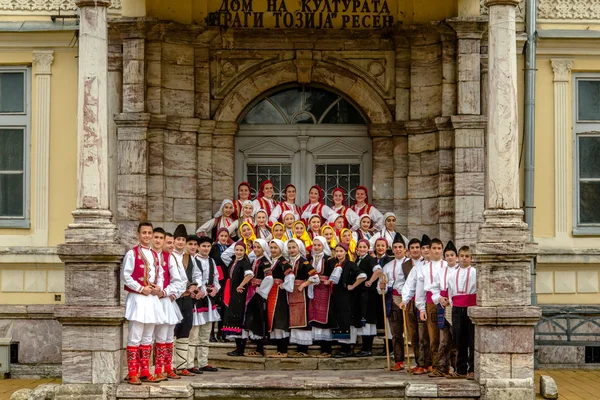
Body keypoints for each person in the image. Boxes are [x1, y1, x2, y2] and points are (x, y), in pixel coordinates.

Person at [123, 222, 167, 385]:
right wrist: (141, 288)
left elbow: (161, 274)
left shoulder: (156, 255)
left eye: (150, 233)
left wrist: (158, 288)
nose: (147, 236)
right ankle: (132, 372)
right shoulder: (132, 254)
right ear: (138, 234)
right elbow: (126, 276)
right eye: (145, 233)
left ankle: (145, 371)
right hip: (138, 299)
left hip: (152, 300)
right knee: (135, 336)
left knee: (148, 337)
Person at [412, 237, 447, 377]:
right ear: (429, 250)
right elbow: (420, 289)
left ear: (442, 250)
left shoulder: (448, 265)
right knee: (433, 336)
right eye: (434, 248)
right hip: (430, 303)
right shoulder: (424, 268)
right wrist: (421, 308)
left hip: (448, 302)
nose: (436, 251)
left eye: (439, 248)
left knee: (448, 335)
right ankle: (436, 365)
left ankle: (450, 365)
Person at [152, 229, 184, 380]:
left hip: (167, 300)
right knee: (158, 335)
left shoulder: (173, 258)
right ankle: (157, 368)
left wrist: (170, 293)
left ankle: (167, 367)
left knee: (169, 336)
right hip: (154, 299)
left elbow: (180, 281)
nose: (171, 245)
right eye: (168, 242)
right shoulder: (155, 256)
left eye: (172, 243)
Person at [442, 246, 476, 380]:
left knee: (472, 339)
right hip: (457, 308)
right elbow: (450, 291)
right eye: (462, 256)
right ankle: (460, 369)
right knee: (458, 339)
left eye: (467, 256)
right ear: (458, 257)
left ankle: (472, 369)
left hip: (471, 307)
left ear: (471, 258)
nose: (464, 258)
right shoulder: (452, 274)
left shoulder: (475, 272)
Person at [189, 236, 220, 374]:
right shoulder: (193, 260)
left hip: (208, 301)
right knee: (193, 333)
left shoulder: (212, 261)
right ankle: (189, 363)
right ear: (198, 247)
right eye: (203, 246)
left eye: (208, 246)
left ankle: (203, 362)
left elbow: (216, 279)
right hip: (197, 299)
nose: (206, 249)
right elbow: (195, 278)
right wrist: (201, 290)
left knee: (205, 333)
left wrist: (215, 289)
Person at [330, 242, 366, 358]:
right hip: (337, 297)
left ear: (346, 252)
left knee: (347, 321)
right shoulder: (334, 264)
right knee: (341, 320)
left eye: (341, 251)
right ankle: (343, 348)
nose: (339, 253)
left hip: (347, 297)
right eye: (337, 251)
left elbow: (362, 275)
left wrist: (353, 285)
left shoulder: (350, 264)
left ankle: (347, 348)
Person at [379, 236, 410, 371]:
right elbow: (380, 286)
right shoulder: (387, 266)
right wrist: (382, 286)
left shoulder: (410, 264)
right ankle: (399, 360)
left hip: (408, 300)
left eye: (400, 247)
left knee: (413, 332)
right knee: (396, 332)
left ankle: (422, 361)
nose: (397, 250)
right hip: (392, 300)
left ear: (405, 249)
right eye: (395, 247)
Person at [173, 234, 201, 376]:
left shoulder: (189, 258)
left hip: (186, 298)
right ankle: (170, 366)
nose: (181, 242)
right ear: (174, 240)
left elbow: (196, 275)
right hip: (173, 299)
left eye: (183, 240)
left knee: (185, 329)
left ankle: (182, 365)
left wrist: (195, 286)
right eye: (179, 239)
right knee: (172, 331)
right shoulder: (169, 256)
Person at [239, 239, 274, 357]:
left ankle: (259, 347)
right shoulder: (254, 260)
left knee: (258, 317)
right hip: (251, 292)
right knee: (251, 316)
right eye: (255, 247)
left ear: (264, 248)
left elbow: (269, 278)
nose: (256, 249)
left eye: (259, 247)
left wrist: (261, 292)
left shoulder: (264, 262)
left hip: (257, 292)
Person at [430, 240, 459, 377]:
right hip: (443, 306)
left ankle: (456, 368)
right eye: (447, 255)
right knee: (444, 339)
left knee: (456, 338)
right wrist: (440, 298)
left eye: (452, 255)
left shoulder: (461, 270)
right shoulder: (441, 272)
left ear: (456, 256)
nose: (450, 257)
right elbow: (434, 289)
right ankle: (441, 367)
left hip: (457, 307)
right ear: (444, 257)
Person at [287, 238, 319, 357]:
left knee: (301, 317)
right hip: (291, 292)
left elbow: (315, 277)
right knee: (294, 317)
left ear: (299, 248)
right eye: (289, 248)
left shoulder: (304, 262)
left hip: (300, 293)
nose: (291, 250)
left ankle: (303, 349)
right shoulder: (289, 261)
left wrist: (304, 285)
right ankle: (298, 347)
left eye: (294, 247)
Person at [222, 241, 254, 356]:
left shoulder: (244, 262)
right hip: (232, 293)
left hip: (239, 294)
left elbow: (250, 274)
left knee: (239, 319)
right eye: (237, 250)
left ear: (244, 251)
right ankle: (238, 348)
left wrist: (241, 285)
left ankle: (240, 349)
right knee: (233, 318)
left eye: (241, 250)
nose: (239, 252)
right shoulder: (233, 261)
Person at [308, 236, 336, 358]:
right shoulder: (310, 259)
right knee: (314, 313)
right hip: (314, 288)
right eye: (315, 245)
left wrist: (328, 281)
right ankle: (317, 343)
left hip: (325, 290)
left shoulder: (329, 259)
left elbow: (334, 273)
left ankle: (326, 347)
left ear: (323, 246)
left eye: (319, 245)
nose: (316, 247)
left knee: (324, 314)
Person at [355, 239, 383, 357]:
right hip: (363, 294)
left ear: (367, 249)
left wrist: (370, 282)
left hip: (368, 294)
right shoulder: (359, 260)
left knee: (367, 320)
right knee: (367, 320)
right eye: (360, 247)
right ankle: (366, 348)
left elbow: (378, 270)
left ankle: (367, 348)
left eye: (364, 247)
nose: (362, 249)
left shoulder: (369, 259)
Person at [267, 239, 294, 358]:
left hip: (279, 293)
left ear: (280, 249)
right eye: (271, 248)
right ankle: (279, 348)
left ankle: (283, 350)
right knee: (273, 318)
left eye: (275, 248)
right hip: (271, 292)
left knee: (280, 318)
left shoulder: (283, 262)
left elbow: (290, 275)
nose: (273, 250)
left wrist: (284, 285)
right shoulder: (271, 261)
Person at [208, 228, 232, 342]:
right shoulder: (214, 248)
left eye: (225, 236)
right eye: (221, 236)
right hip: (216, 279)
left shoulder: (229, 248)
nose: (223, 238)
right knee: (215, 306)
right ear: (218, 236)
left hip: (225, 280)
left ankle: (222, 334)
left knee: (223, 307)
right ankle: (211, 334)